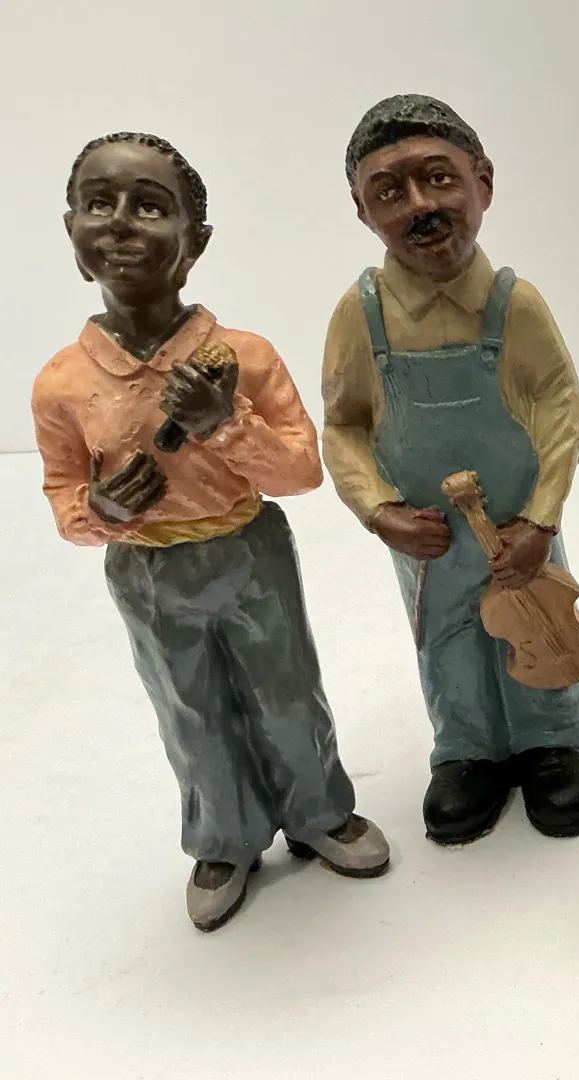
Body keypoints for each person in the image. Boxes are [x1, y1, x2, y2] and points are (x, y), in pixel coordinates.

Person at [32, 132, 389, 932]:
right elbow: (61, 492)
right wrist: (100, 511)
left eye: (150, 207)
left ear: (195, 242)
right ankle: (224, 837)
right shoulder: (62, 384)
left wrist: (225, 425)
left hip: (248, 551)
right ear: (71, 231)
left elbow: (300, 471)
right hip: (148, 571)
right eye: (98, 204)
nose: (120, 224)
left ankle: (319, 811)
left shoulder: (243, 357)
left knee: (286, 691)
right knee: (189, 711)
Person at [322, 94, 579, 845]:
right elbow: (344, 424)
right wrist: (379, 511)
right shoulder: (361, 314)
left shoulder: (515, 305)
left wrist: (541, 518)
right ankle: (468, 751)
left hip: (519, 525)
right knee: (445, 639)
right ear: (363, 211)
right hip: (430, 539)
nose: (420, 206)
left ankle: (554, 742)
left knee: (539, 622)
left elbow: (560, 406)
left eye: (439, 178)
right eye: (389, 191)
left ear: (484, 182)